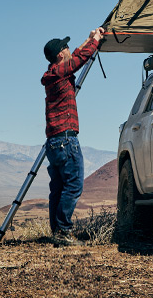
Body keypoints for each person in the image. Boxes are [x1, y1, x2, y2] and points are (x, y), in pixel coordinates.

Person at [41, 27, 104, 246]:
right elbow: (79, 60)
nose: (69, 49)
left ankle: (57, 232)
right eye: (66, 47)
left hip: (54, 142)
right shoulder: (60, 72)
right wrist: (95, 42)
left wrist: (89, 39)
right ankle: (63, 232)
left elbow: (76, 55)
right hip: (66, 139)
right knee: (74, 185)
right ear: (60, 54)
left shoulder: (54, 73)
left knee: (58, 188)